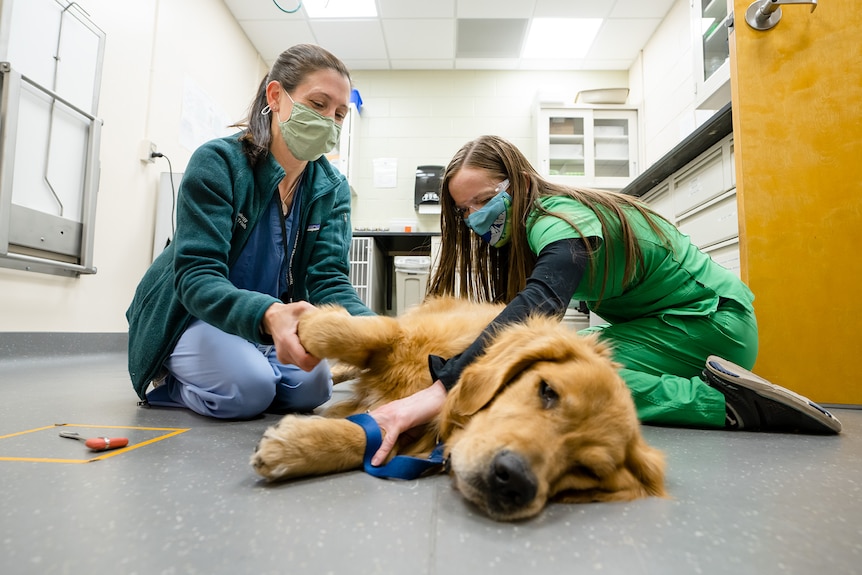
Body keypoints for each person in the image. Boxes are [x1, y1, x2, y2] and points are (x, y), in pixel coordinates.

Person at [366, 134, 841, 465]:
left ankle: (730, 406)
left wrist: (443, 387)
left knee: (560, 374)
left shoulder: (558, 219)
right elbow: (513, 320)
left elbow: (539, 304)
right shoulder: (528, 228)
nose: (473, 217)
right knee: (565, 356)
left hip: (712, 323)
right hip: (671, 323)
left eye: (483, 200)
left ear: (517, 181)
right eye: (464, 209)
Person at [126, 44, 373, 419]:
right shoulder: (219, 163)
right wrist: (270, 315)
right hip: (194, 314)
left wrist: (379, 333)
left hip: (266, 322)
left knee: (313, 388)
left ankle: (246, 363)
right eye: (318, 104)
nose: (329, 121)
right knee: (249, 389)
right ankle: (170, 379)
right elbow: (196, 277)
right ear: (276, 97)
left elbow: (329, 282)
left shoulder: (331, 187)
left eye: (339, 114)